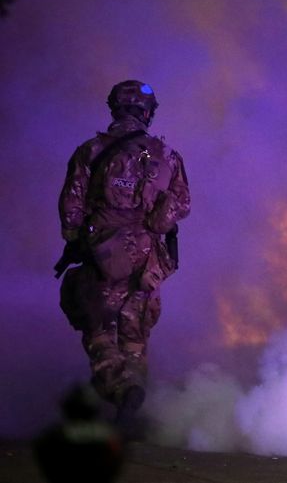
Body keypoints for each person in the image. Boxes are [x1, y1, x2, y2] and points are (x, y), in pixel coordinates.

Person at [57, 80, 190, 427]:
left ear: (114, 108)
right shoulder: (167, 155)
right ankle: (131, 411)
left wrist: (78, 239)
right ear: (147, 113)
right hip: (147, 258)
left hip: (103, 253)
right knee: (136, 331)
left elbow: (71, 207)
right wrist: (154, 227)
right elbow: (181, 205)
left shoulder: (90, 151)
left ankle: (119, 386)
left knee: (97, 327)